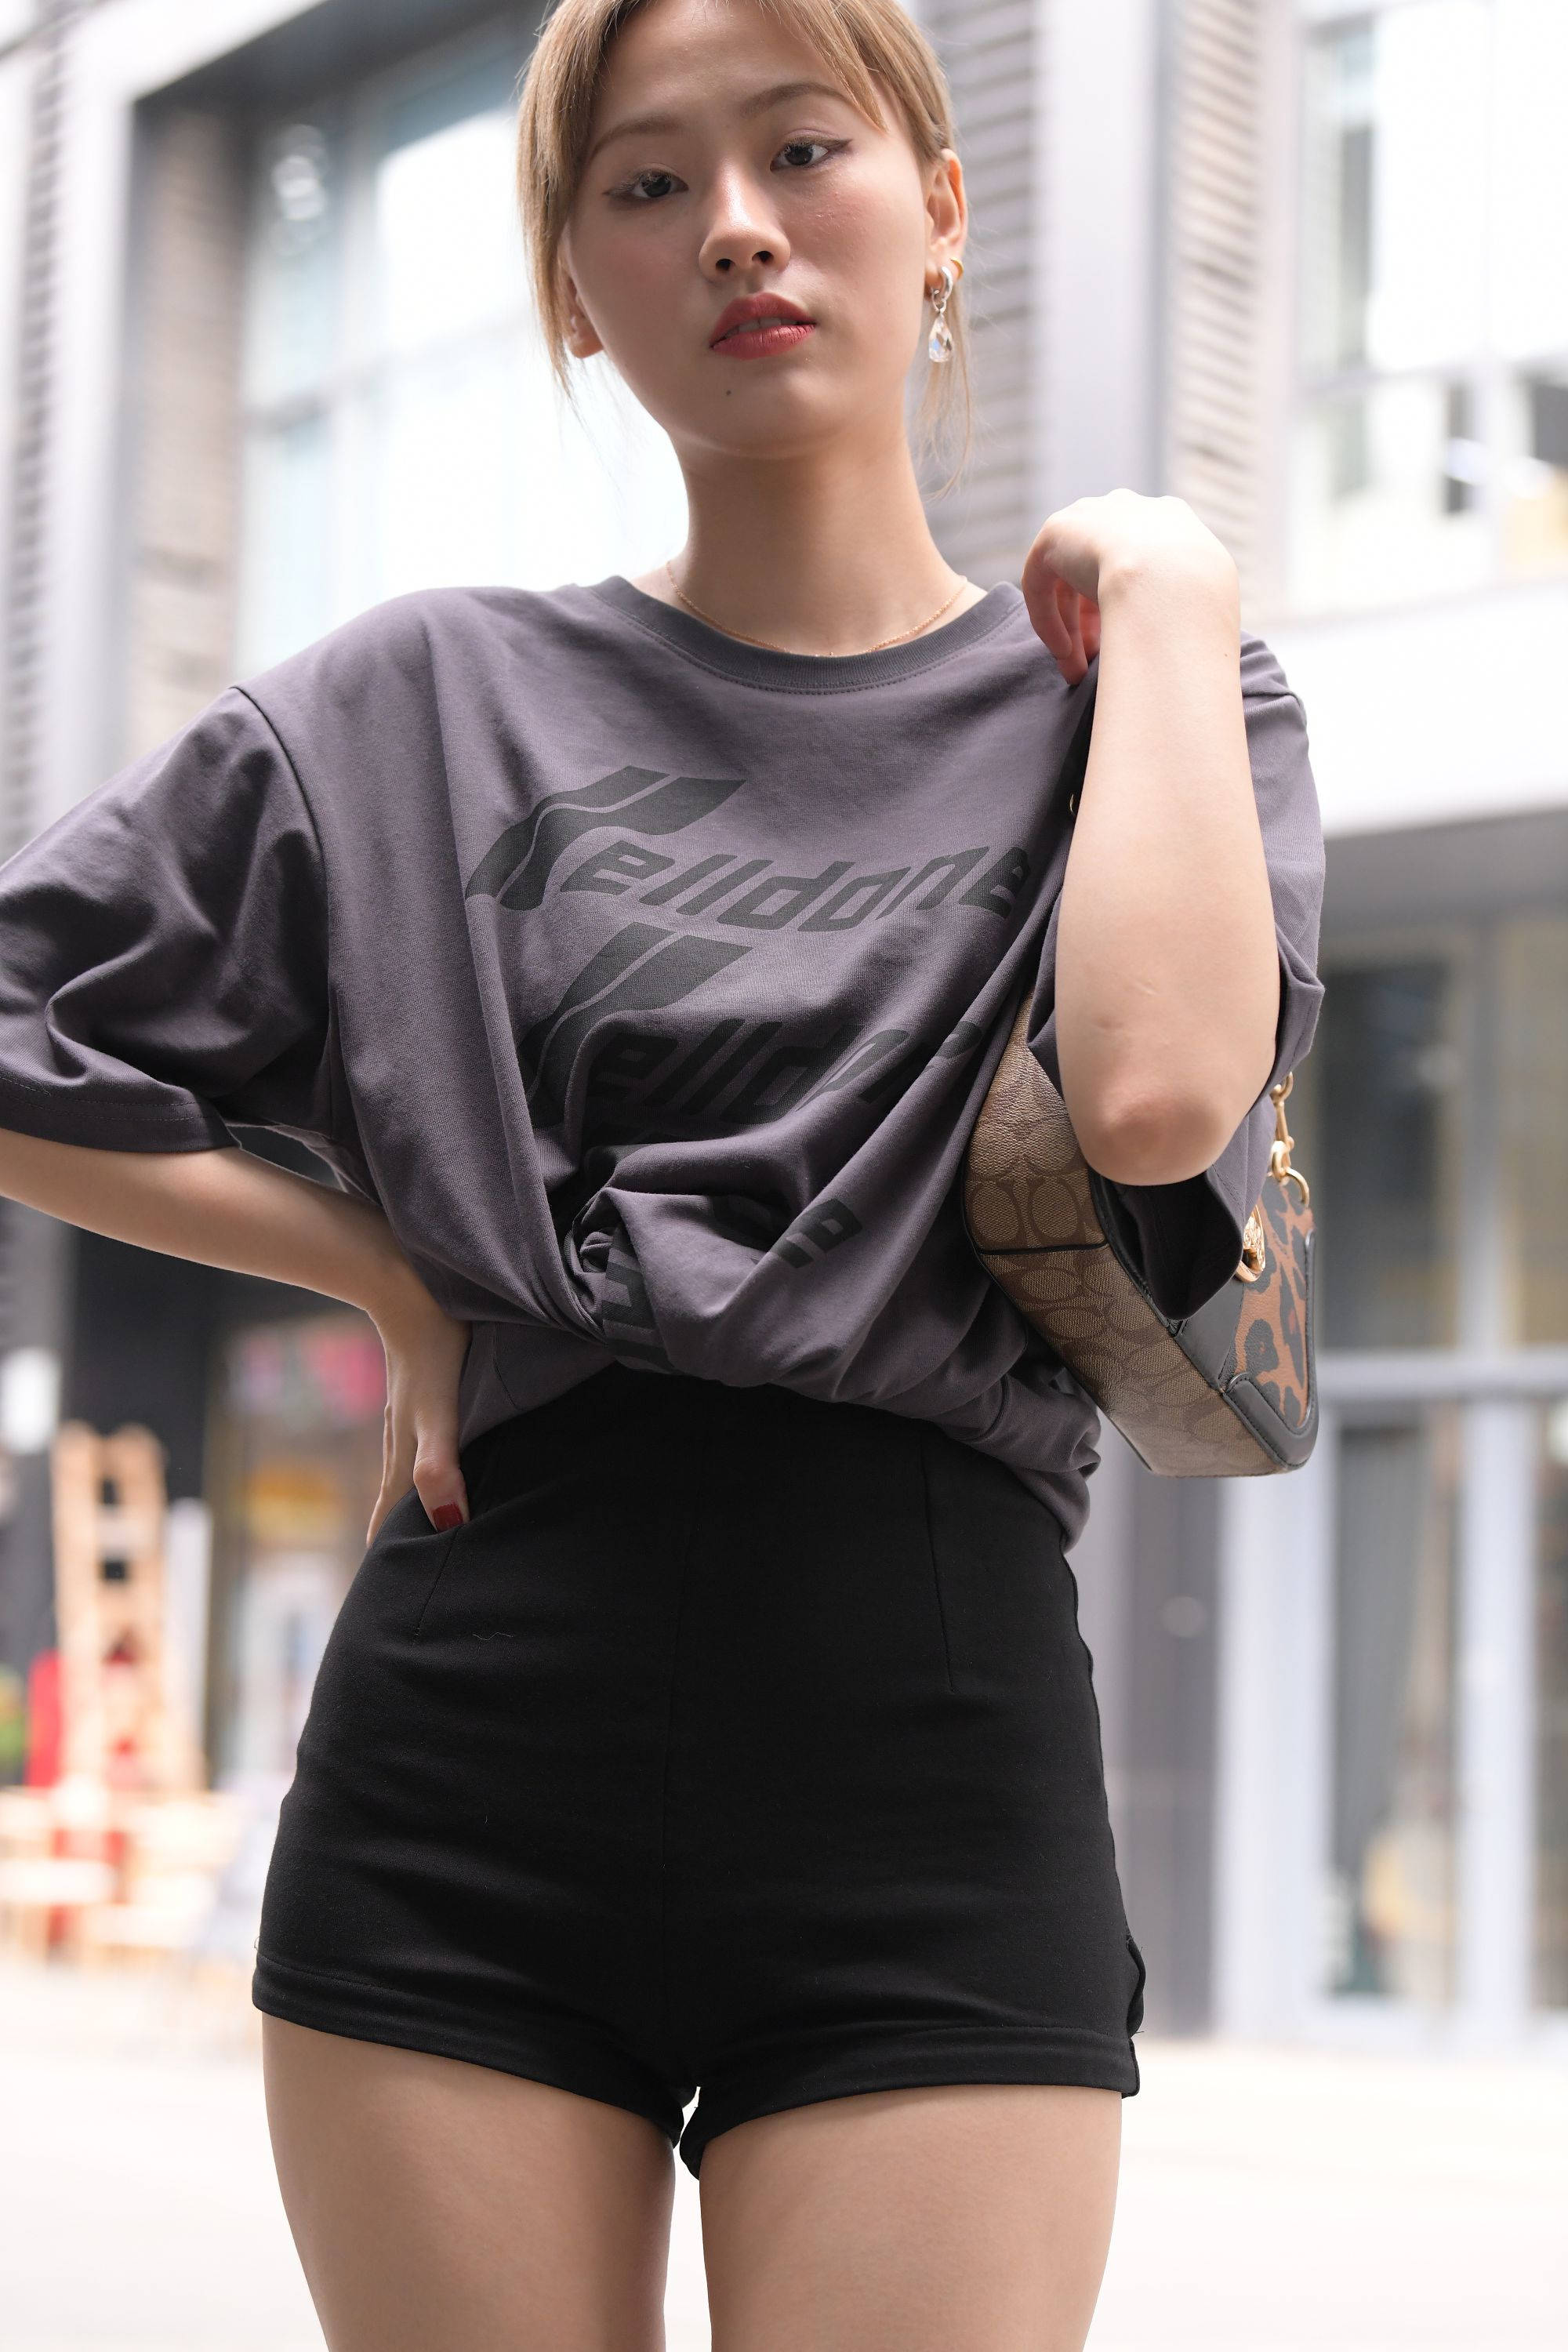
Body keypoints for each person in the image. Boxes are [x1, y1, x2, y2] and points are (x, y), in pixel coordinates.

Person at [0, 0, 1323, 2341]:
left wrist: (1180, 581)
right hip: (476, 1725)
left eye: (804, 149)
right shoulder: (417, 704)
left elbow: (1149, 1104)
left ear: (940, 211)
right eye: (644, 184)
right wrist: (383, 1272)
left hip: (930, 1736)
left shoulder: (1149, 705)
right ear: (574, 291)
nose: (733, 228)